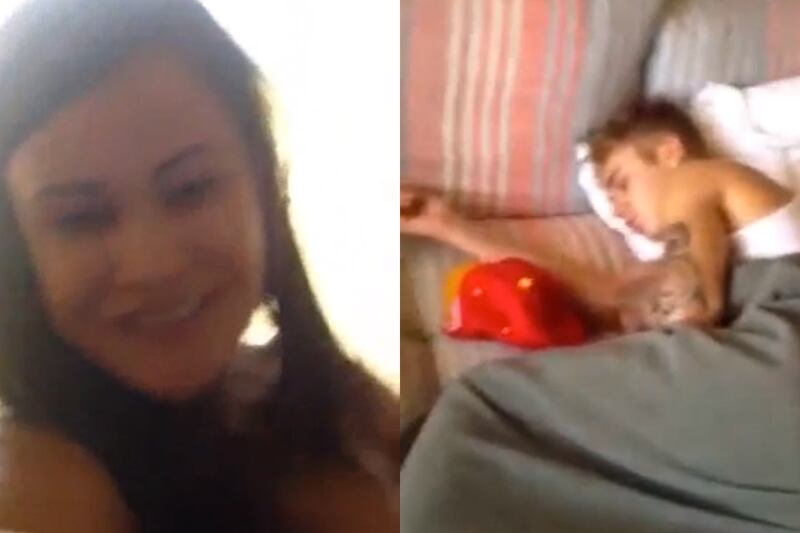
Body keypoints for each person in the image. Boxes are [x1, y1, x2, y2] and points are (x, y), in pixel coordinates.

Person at [0, 1, 398, 532]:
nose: (153, 264)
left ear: (265, 187)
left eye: (191, 189)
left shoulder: (339, 403)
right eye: (80, 218)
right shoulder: (36, 486)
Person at [401, 100, 800, 334]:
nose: (619, 210)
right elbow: (609, 291)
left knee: (480, 407)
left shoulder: (695, 177)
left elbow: (693, 309)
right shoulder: (685, 248)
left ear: (669, 152)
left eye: (622, 183)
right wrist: (447, 226)